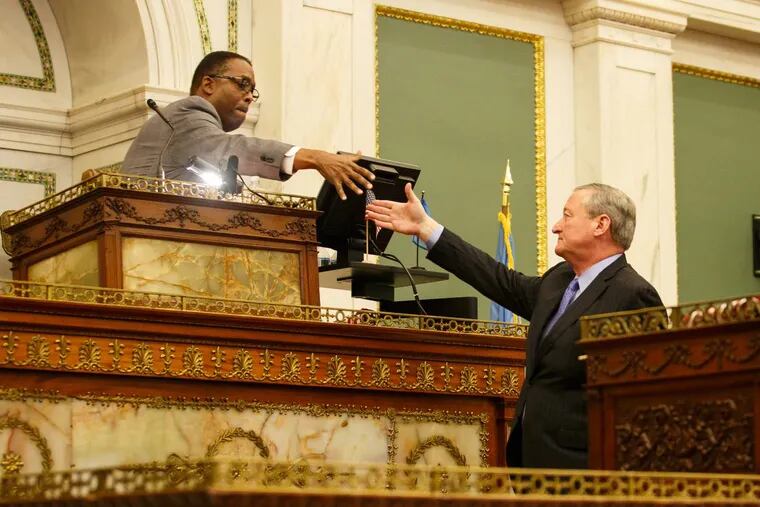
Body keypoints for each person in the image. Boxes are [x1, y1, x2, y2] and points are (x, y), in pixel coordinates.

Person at [366, 182, 663, 469]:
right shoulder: (559, 279)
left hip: (588, 470)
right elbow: (499, 280)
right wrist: (427, 228)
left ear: (601, 225)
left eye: (567, 216)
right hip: (531, 462)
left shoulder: (633, 296)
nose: (556, 226)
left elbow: (650, 401)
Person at [122, 51, 373, 200]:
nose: (250, 96)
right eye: (242, 84)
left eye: (253, 90)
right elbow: (233, 148)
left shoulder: (199, 135)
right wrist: (315, 158)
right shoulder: (187, 112)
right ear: (208, 84)